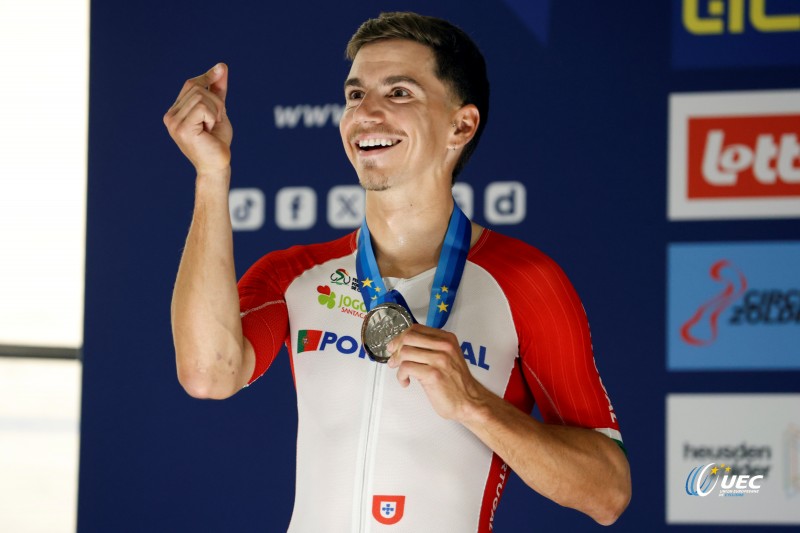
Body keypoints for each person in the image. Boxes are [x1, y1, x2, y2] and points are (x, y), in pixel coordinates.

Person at [163, 11, 631, 532]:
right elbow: (208, 375)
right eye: (356, 95)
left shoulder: (526, 281)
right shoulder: (296, 274)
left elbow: (608, 492)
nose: (367, 113)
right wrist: (211, 173)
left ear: (462, 125)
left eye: (400, 93)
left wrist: (474, 403)